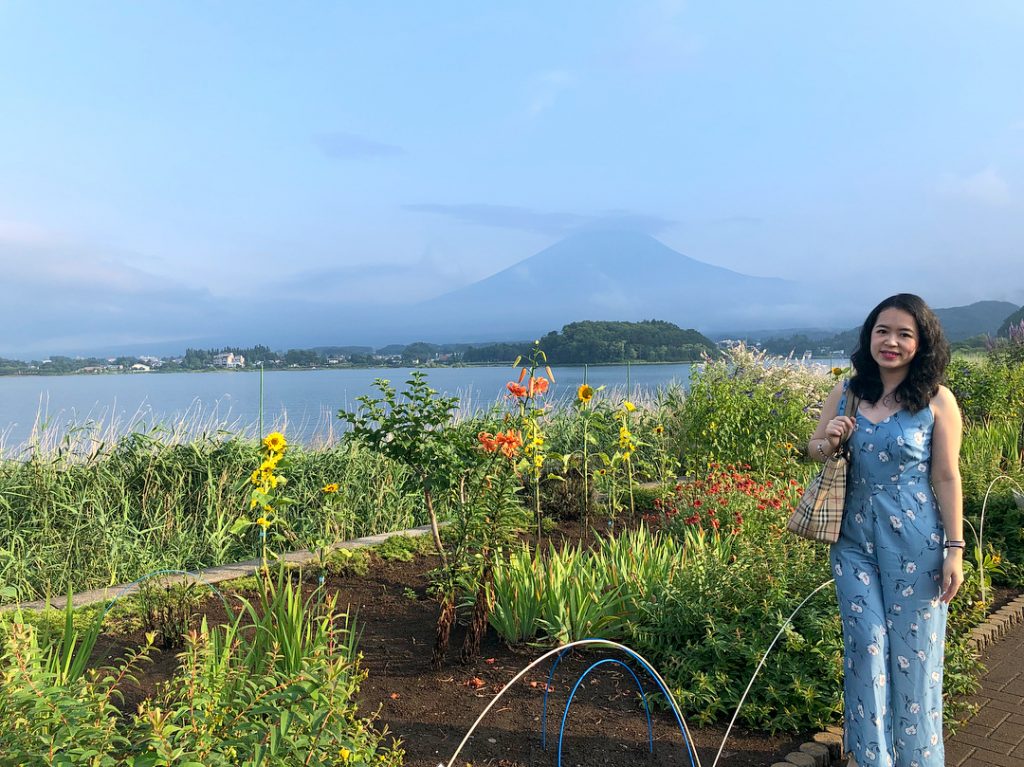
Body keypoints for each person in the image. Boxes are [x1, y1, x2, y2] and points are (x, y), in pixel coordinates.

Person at [807, 294, 964, 767]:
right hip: (853, 543)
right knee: (866, 646)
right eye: (882, 331)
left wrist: (955, 549)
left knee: (916, 657)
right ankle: (873, 759)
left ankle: (919, 759)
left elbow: (946, 476)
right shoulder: (848, 391)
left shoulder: (937, 399)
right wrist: (828, 439)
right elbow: (815, 449)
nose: (890, 341)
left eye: (903, 334)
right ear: (869, 336)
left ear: (921, 343)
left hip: (917, 546)